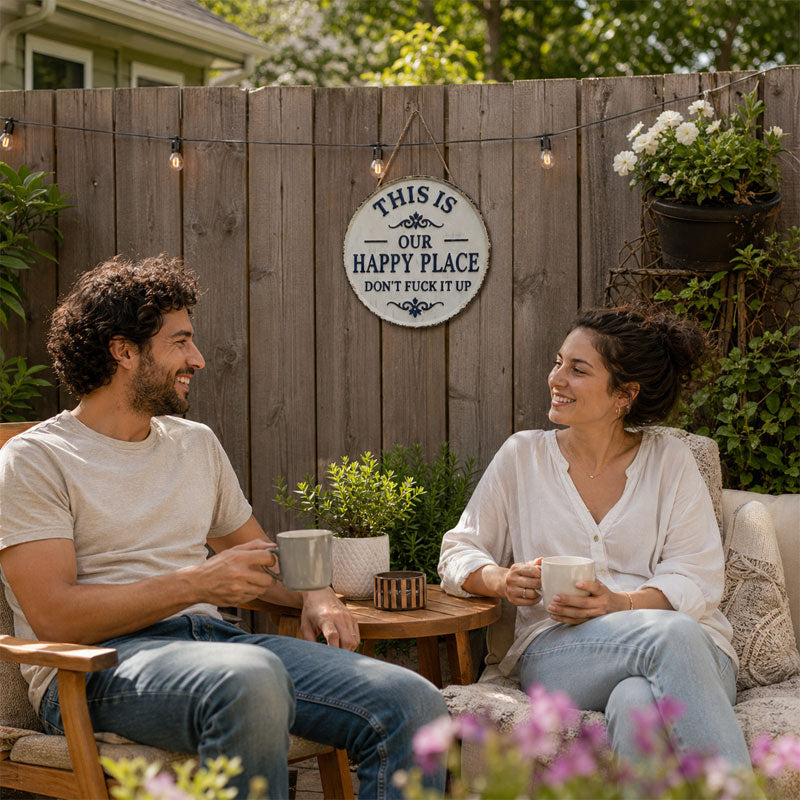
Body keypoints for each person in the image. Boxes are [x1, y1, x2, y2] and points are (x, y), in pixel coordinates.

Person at [0, 255, 447, 800]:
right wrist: (197, 583)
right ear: (124, 351)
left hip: (219, 646)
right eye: (180, 342)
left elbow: (257, 557)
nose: (199, 358)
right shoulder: (36, 459)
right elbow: (55, 616)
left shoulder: (195, 444)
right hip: (97, 671)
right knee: (251, 680)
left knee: (413, 702)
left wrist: (319, 592)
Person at [438, 307, 751, 768]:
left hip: (696, 656)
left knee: (635, 700)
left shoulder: (671, 461)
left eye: (577, 369)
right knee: (671, 638)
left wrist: (619, 603)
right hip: (562, 653)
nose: (556, 378)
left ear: (624, 395)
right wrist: (501, 579)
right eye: (558, 362)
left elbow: (698, 576)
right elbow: (458, 550)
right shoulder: (522, 457)